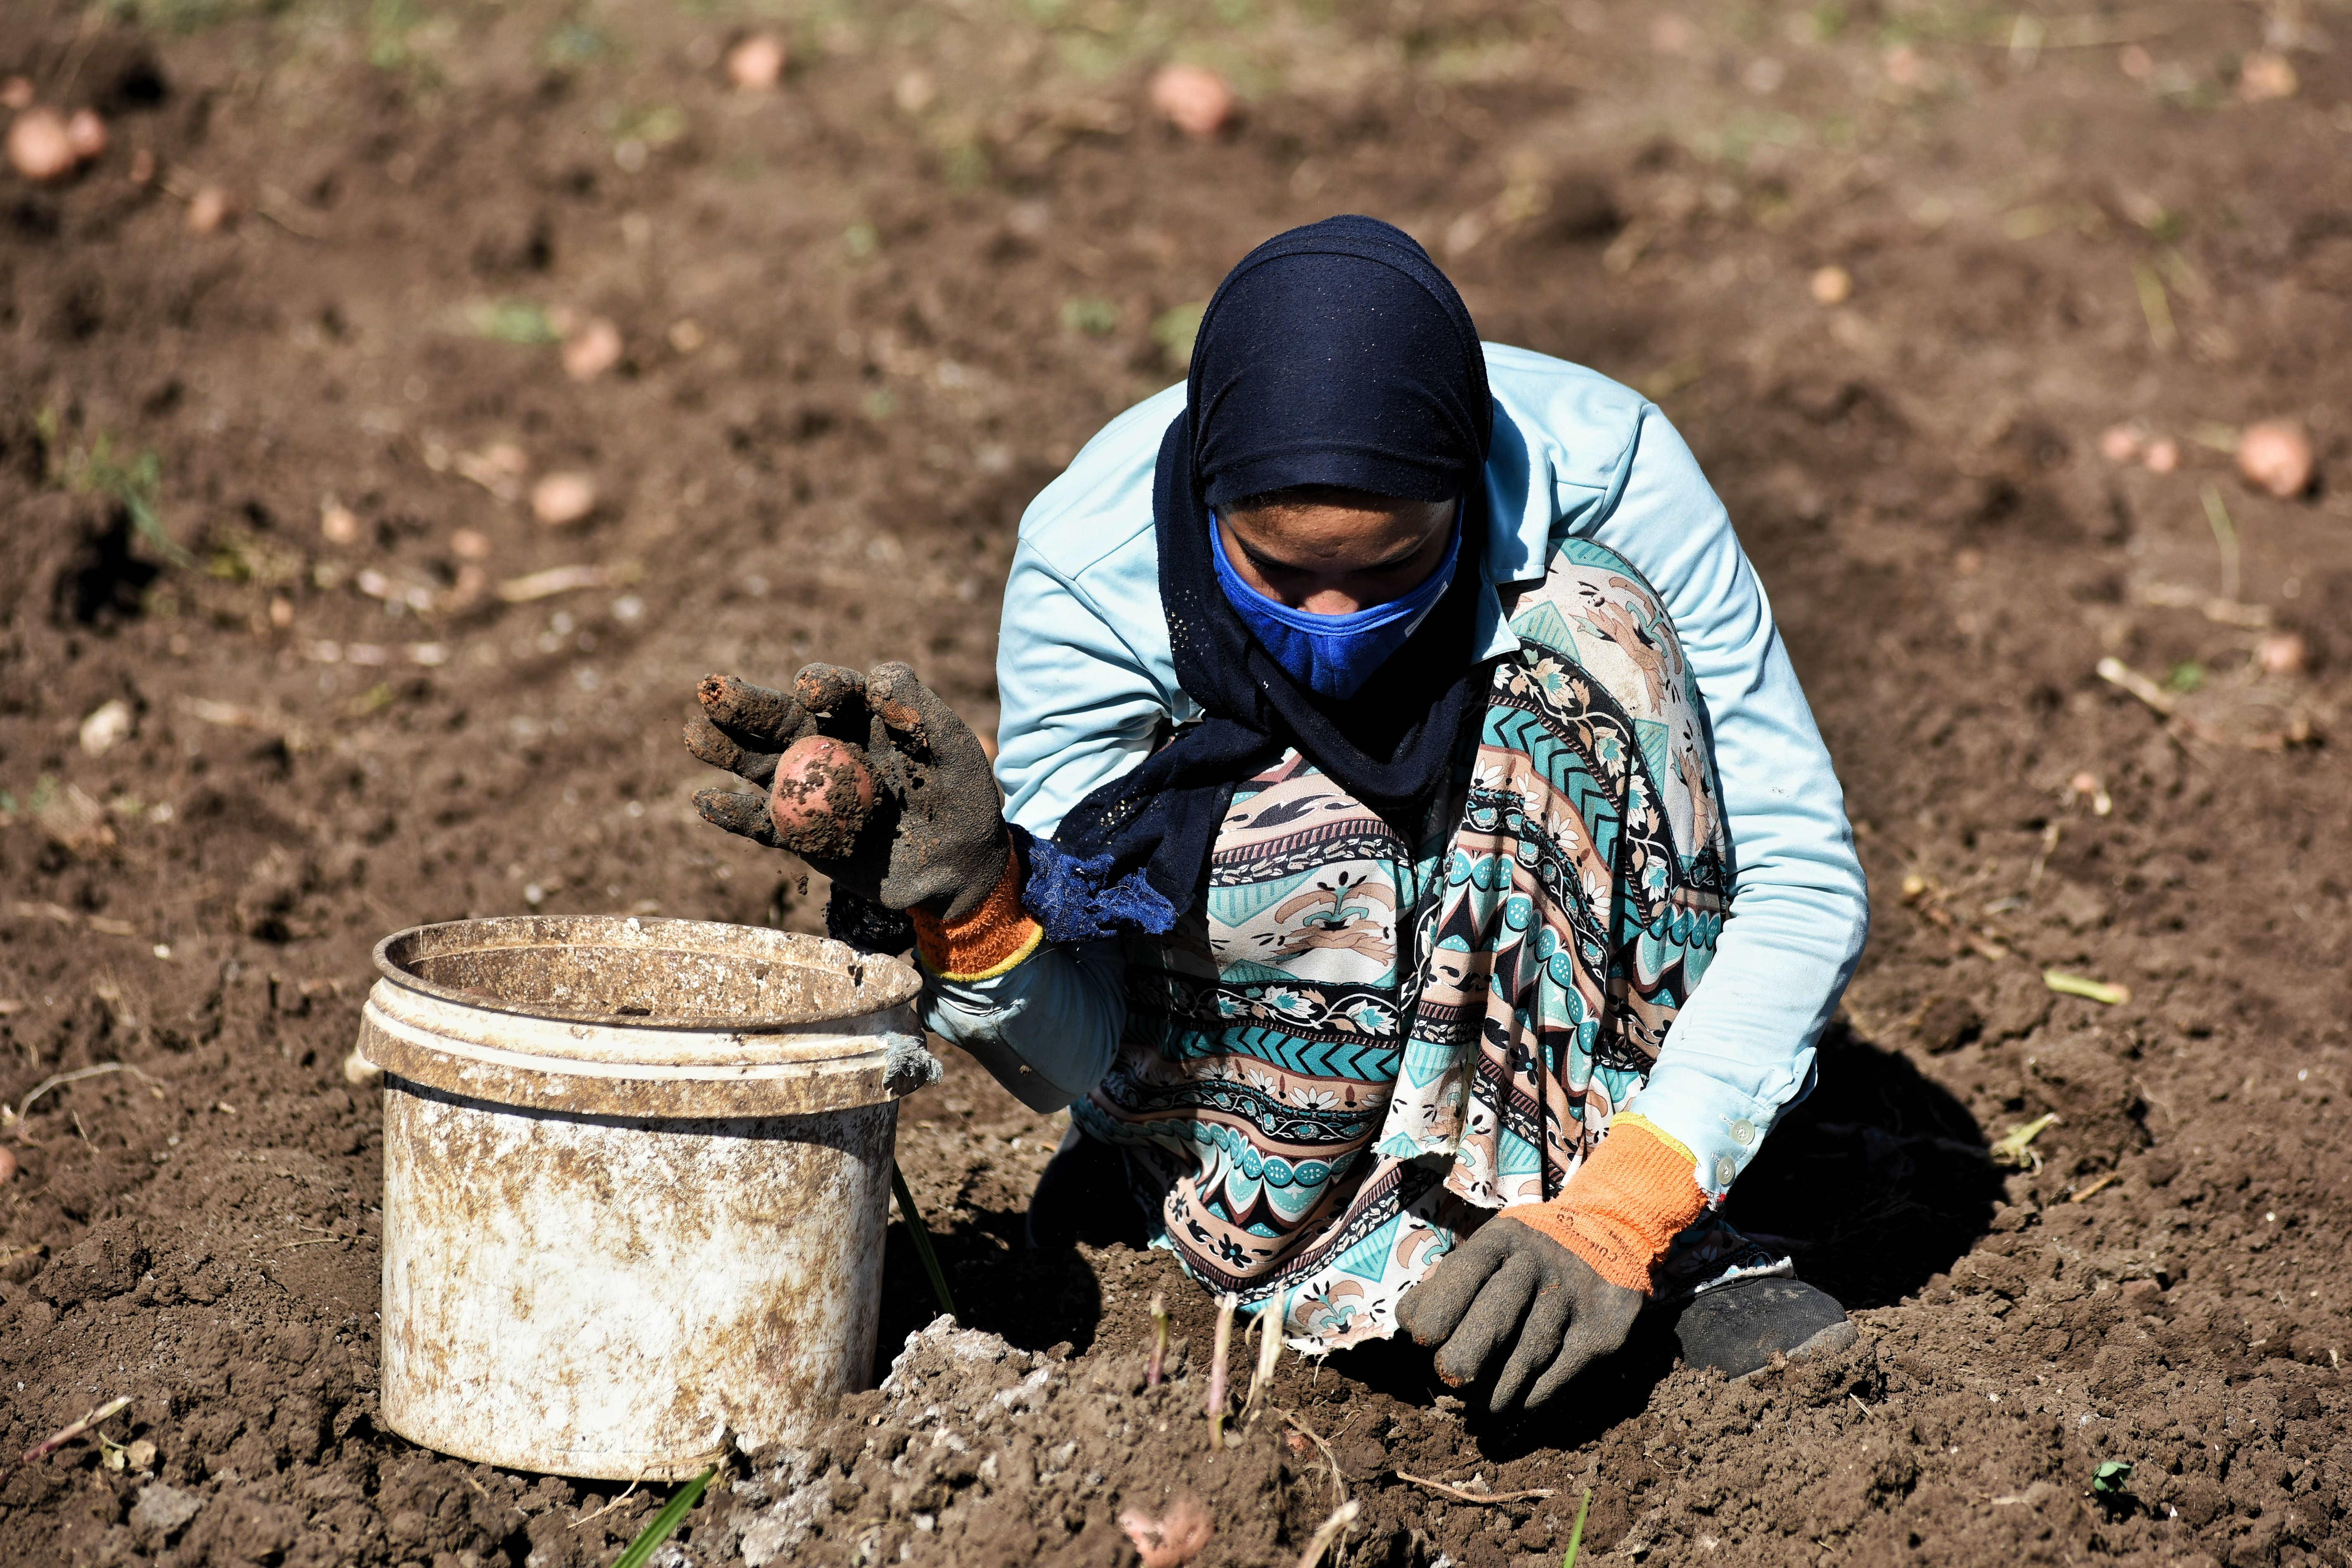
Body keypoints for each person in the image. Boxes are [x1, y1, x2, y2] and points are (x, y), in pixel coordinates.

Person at [686, 216, 1868, 1409]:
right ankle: (1204, 1180)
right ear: (1209, 503)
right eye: (1278, 569)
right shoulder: (1097, 565)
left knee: (1600, 630)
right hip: (1265, 1025)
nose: (1336, 612)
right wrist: (978, 912)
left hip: (1552, 966)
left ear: (1462, 499)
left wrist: (1633, 1204)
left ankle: (1617, 1220)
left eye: (1395, 563)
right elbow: (1078, 1034)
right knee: (1227, 834)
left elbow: (1796, 877)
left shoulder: (1607, 475)